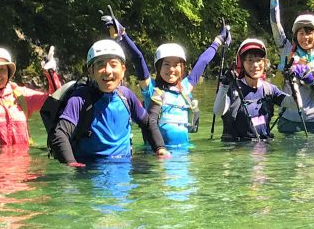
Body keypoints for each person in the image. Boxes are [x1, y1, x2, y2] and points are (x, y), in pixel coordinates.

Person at [99, 14, 231, 147]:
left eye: (176, 65)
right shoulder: (150, 89)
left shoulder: (185, 88)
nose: (172, 69)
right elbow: (138, 58)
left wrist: (219, 40)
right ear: (158, 67)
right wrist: (123, 35)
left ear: (182, 67)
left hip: (183, 155)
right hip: (157, 156)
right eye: (166, 64)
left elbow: (203, 61)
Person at [49, 40, 169, 166]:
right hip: (91, 170)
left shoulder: (126, 96)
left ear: (122, 70)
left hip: (124, 167)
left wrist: (160, 148)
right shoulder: (80, 99)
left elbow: (148, 123)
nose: (108, 70)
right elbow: (60, 133)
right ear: (91, 71)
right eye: (100, 65)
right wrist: (71, 163)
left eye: (113, 64)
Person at [269, 0, 314, 134]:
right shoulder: (287, 51)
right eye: (301, 33)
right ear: (296, 36)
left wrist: (311, 82)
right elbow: (275, 24)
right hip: (288, 122)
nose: (305, 37)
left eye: (309, 33)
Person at [212, 38, 300, 141]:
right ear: (241, 63)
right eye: (250, 60)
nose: (255, 65)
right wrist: (224, 85)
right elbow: (218, 111)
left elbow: (296, 105)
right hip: (237, 151)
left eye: (259, 60)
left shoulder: (269, 90)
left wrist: (293, 81)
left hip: (264, 151)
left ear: (264, 62)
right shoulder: (232, 89)